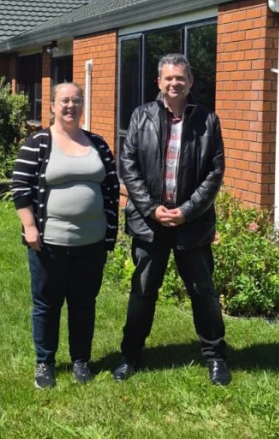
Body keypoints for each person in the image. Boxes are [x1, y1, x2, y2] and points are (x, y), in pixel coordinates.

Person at [114, 53, 230, 386]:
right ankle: (130, 355)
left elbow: (215, 172)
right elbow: (128, 166)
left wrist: (187, 211)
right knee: (142, 292)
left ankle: (215, 357)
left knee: (203, 292)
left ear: (190, 81)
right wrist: (152, 208)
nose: (174, 83)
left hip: (192, 224)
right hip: (149, 223)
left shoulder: (208, 120)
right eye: (168, 78)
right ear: (159, 82)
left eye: (180, 77)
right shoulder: (141, 116)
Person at [12, 82, 120, 389]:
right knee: (47, 304)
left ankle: (81, 361)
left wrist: (110, 232)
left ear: (82, 105)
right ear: (52, 106)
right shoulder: (38, 143)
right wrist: (30, 227)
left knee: (84, 303)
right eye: (64, 101)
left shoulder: (97, 143)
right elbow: (20, 187)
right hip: (49, 242)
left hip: (92, 242)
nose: (70, 106)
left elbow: (112, 188)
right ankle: (45, 363)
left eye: (76, 100)